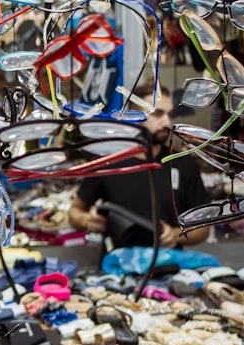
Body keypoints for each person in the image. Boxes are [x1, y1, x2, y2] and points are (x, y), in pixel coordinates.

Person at [69, 84, 211, 249]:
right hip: (117, 267)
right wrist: (88, 220)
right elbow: (74, 213)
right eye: (158, 114)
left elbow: (203, 229)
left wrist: (174, 234)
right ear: (133, 115)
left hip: (168, 267)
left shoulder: (182, 163)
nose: (167, 122)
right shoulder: (107, 160)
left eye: (170, 114)